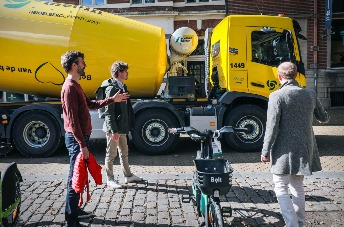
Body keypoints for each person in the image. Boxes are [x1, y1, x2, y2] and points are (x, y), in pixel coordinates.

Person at [60, 51, 129, 227]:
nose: (84, 65)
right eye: (82, 62)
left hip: (81, 138)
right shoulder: (69, 87)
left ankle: (75, 210)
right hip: (77, 140)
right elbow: (73, 121)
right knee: (74, 178)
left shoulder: (76, 85)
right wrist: (82, 145)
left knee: (80, 177)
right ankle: (71, 220)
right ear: (74, 65)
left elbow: (91, 104)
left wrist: (113, 99)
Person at [261, 62, 329, 227]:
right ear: (297, 75)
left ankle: (292, 224)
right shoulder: (310, 94)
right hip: (304, 147)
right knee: (297, 187)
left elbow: (272, 127)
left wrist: (265, 150)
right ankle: (298, 222)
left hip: (283, 150)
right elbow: (323, 118)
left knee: (280, 187)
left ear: (279, 77)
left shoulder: (276, 96)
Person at [102, 60, 143, 188]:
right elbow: (109, 112)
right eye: (125, 71)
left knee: (124, 152)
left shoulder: (122, 86)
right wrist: (114, 131)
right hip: (114, 128)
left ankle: (128, 176)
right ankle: (110, 179)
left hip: (122, 127)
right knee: (111, 154)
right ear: (119, 72)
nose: (127, 73)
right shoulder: (112, 89)